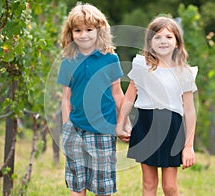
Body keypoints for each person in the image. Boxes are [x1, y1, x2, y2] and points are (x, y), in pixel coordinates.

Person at [116, 16, 198, 196]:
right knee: (149, 183)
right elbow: (130, 96)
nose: (163, 41)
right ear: (150, 42)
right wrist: (120, 123)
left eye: (168, 37)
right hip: (146, 125)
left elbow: (190, 111)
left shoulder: (184, 72)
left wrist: (189, 146)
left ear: (177, 42)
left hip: (172, 129)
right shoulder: (141, 66)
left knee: (169, 187)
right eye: (157, 36)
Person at [57, 2, 125, 195]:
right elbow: (66, 98)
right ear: (70, 33)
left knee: (103, 186)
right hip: (75, 129)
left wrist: (124, 121)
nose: (83, 35)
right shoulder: (68, 62)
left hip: (103, 130)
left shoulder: (110, 59)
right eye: (77, 30)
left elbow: (117, 93)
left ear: (99, 30)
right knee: (76, 184)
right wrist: (66, 127)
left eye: (89, 29)